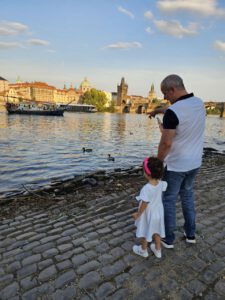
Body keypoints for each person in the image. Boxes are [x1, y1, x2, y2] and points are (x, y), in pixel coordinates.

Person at [154, 74, 205, 248]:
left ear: (173, 89)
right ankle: (190, 234)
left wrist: (158, 163)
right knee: (187, 195)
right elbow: (183, 118)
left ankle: (168, 239)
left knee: (168, 199)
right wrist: (158, 111)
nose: (164, 98)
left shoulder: (173, 112)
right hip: (195, 163)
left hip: (176, 165)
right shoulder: (199, 103)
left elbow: (166, 142)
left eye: (165, 93)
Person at [132, 157, 167, 258]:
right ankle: (158, 249)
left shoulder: (146, 188)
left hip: (149, 213)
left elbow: (145, 203)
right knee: (157, 231)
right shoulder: (161, 183)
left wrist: (138, 214)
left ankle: (143, 250)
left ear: (148, 174)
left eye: (143, 170)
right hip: (159, 212)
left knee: (146, 231)